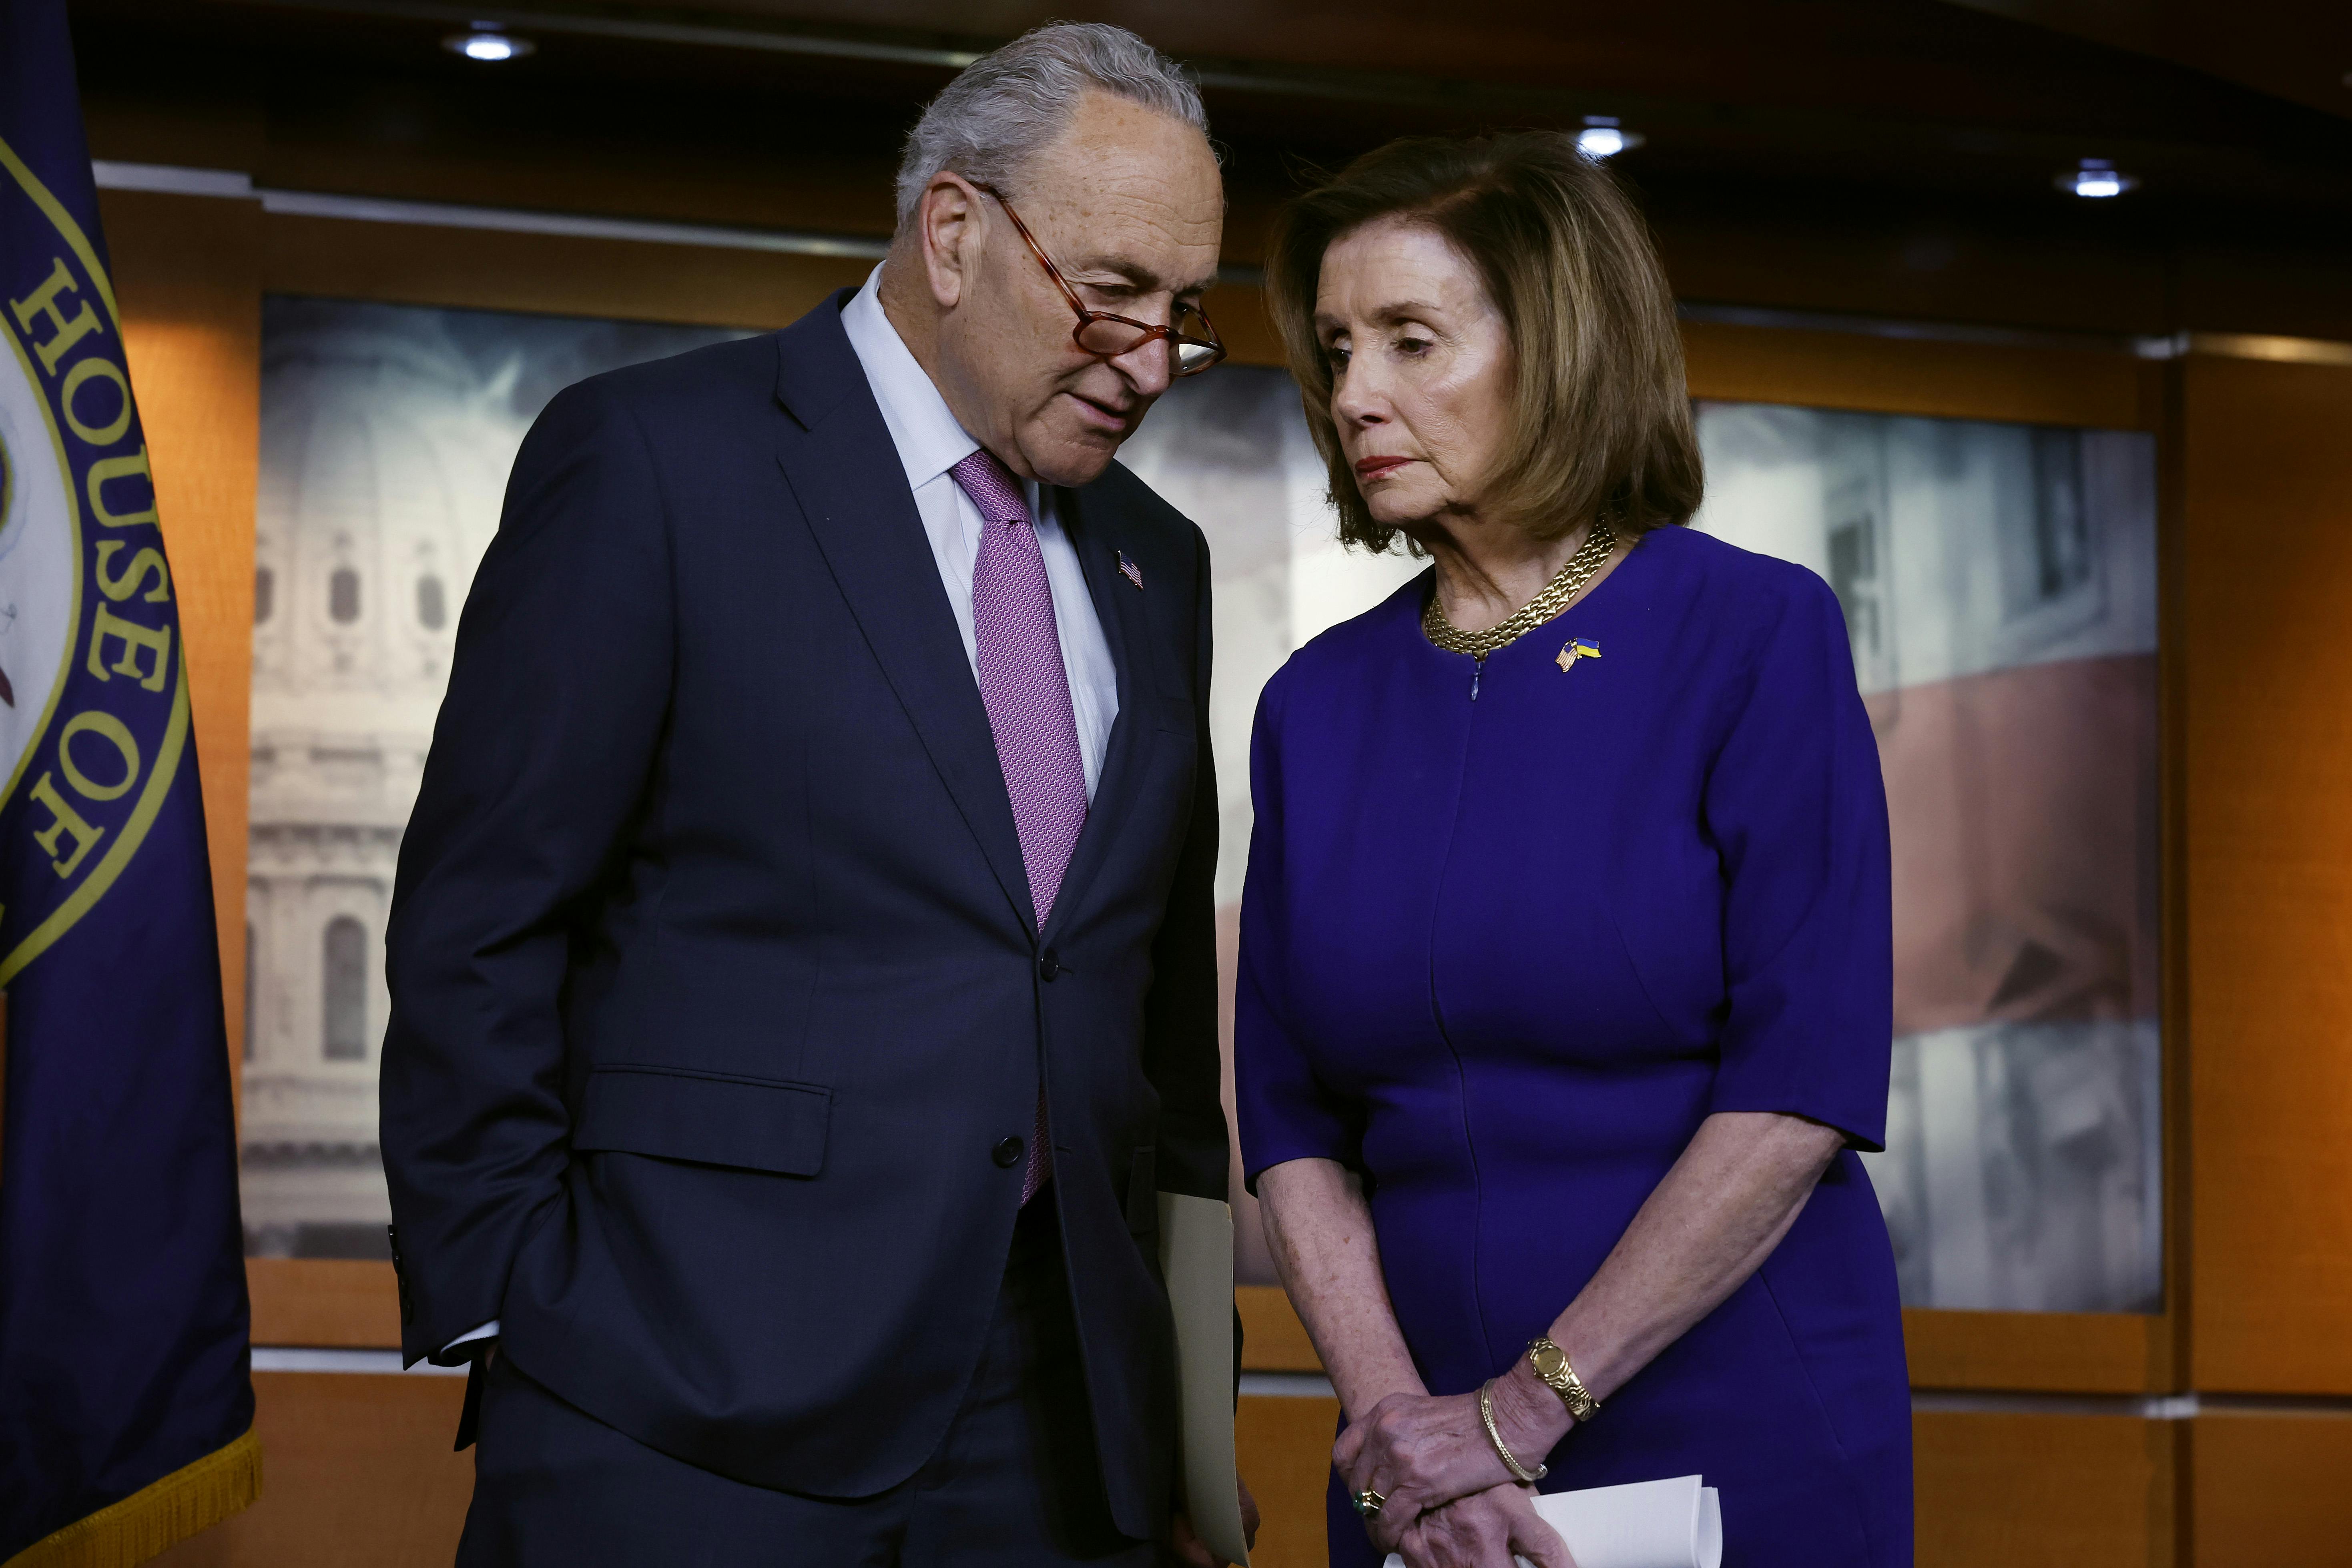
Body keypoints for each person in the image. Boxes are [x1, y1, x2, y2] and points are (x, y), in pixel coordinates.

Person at [379, 22, 1254, 1565]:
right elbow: (480, 923)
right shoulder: (654, 463)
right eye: (1112, 295)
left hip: (1061, 1438)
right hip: (672, 1404)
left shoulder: (1156, 559)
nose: (1149, 360)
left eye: (1185, 316)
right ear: (955, 230)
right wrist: (513, 1313)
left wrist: (1175, 1414)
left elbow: (1154, 1017)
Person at [1235, 132, 1912, 1568]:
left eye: (1411, 341)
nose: (1353, 394)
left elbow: (1800, 1085)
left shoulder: (1753, 634)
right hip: (1412, 1468)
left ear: (1557, 350)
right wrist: (1405, 1431)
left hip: (1732, 1419)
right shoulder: (1312, 705)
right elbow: (1290, 1125)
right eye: (1339, 346)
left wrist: (1518, 1417)